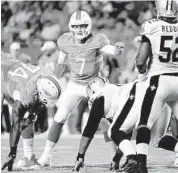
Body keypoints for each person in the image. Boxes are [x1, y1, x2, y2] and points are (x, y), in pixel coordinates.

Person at [37, 10, 125, 167]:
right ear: (71, 27)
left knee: (105, 121)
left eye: (83, 25)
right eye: (76, 26)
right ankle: (46, 155)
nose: (80, 29)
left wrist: (118, 49)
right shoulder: (65, 41)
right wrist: (53, 80)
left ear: (89, 26)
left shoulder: (98, 39)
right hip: (75, 84)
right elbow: (60, 66)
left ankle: (114, 157)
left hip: (95, 85)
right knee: (59, 117)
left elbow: (112, 50)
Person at [110, 0, 178, 172]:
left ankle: (141, 165)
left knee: (144, 124)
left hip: (159, 80)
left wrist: (142, 71)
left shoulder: (152, 26)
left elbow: (141, 60)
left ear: (158, 9)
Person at [72, 77, 173, 172]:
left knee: (113, 131)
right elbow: (125, 135)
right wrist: (116, 158)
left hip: (143, 98)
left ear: (94, 90)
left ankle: (133, 160)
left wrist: (80, 156)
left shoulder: (101, 97)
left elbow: (88, 131)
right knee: (157, 139)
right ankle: (135, 160)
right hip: (157, 95)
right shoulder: (116, 91)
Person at [1, 56, 61, 171]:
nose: (46, 103)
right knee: (21, 118)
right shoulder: (25, 95)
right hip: (3, 74)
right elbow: (16, 125)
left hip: (14, 68)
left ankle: (28, 157)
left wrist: (32, 115)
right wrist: (12, 154)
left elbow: (39, 103)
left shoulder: (47, 78)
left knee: (29, 116)